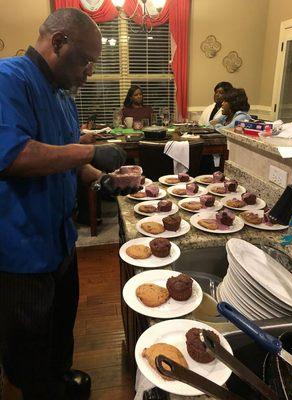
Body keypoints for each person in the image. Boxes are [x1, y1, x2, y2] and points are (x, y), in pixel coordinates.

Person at [0, 8, 138, 400]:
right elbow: (15, 156)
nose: (89, 72)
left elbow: (68, 158)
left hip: (61, 240)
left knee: (60, 326)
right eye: (87, 60)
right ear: (58, 43)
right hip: (21, 251)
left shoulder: (62, 94)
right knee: (28, 349)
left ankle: (59, 379)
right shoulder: (8, 79)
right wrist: (89, 152)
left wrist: (105, 181)